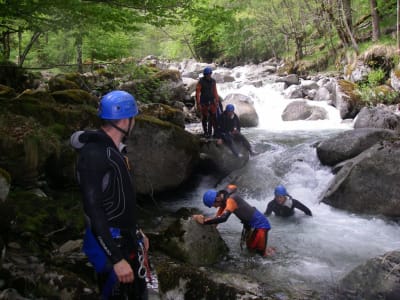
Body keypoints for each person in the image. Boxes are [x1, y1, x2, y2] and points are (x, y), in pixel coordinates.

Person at [70, 90, 149, 299]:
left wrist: (137, 232)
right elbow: (93, 209)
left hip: (124, 237)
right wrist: (116, 259)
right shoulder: (95, 155)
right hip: (110, 242)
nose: (134, 122)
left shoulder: (113, 150)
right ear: (125, 120)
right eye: (134, 118)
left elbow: (119, 198)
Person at [193, 184, 274, 257]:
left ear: (217, 199)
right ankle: (268, 249)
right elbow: (218, 216)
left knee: (260, 254)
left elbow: (223, 218)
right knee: (249, 250)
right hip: (249, 224)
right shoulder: (224, 198)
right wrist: (210, 225)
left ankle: (272, 253)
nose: (215, 207)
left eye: (214, 205)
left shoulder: (230, 200)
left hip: (260, 225)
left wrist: (204, 221)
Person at [195, 67, 220, 138]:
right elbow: (197, 93)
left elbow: (215, 92)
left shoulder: (213, 81)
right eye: (207, 74)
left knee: (213, 117)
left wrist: (217, 100)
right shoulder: (201, 82)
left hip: (212, 101)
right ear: (204, 74)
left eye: (209, 74)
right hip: (204, 102)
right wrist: (198, 103)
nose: (208, 75)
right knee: (205, 118)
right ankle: (206, 132)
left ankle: (213, 132)